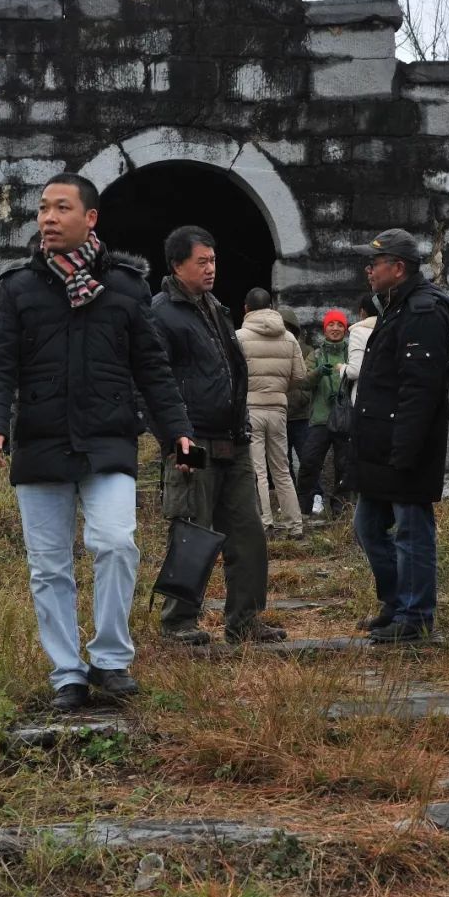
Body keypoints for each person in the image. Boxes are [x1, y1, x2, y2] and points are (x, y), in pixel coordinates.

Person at [0, 174, 194, 710]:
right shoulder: (18, 287)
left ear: (90, 218)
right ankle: (67, 672)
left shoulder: (125, 286)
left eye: (61, 208)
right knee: (48, 565)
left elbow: (152, 366)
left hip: (107, 440)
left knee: (116, 542)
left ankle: (112, 659)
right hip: (42, 443)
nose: (48, 218)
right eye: (43, 209)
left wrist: (177, 430)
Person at [148, 226, 286, 646]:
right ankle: (178, 622)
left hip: (234, 437)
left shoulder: (216, 307)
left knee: (248, 533)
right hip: (193, 440)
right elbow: (154, 384)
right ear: (177, 265)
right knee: (191, 531)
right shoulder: (161, 313)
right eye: (201, 262)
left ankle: (245, 620)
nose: (210, 269)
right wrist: (174, 439)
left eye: (213, 261)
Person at [350, 229, 449, 644]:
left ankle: (415, 616)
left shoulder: (422, 311)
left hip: (405, 446)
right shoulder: (394, 306)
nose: (369, 270)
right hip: (381, 444)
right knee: (367, 526)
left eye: (375, 263)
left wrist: (406, 449)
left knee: (412, 531)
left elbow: (420, 389)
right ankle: (395, 601)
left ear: (398, 269)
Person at [236, 288, 307, 539]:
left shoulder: (239, 337)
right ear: (272, 307)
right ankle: (294, 525)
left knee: (258, 470)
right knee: (282, 468)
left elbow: (233, 375)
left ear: (246, 309)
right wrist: (279, 388)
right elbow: (300, 375)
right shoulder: (288, 338)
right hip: (278, 410)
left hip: (251, 409)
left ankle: (264, 523)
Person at [297, 310, 351, 517]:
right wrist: (319, 372)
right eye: (331, 324)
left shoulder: (351, 353)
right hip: (320, 418)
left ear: (345, 329)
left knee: (344, 465)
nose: (335, 328)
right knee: (309, 462)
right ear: (324, 329)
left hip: (345, 418)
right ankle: (303, 507)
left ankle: (340, 509)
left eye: (339, 325)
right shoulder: (316, 354)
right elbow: (303, 382)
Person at [278, 305, 313, 484]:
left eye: (288, 327)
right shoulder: (273, 349)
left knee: (307, 459)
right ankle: (290, 499)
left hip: (300, 416)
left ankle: (314, 495)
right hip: (280, 414)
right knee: (283, 462)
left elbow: (306, 380)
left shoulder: (305, 351)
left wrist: (301, 399)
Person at [344, 292, 380, 403]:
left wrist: (342, 368)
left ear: (362, 312)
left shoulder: (358, 332)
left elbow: (355, 371)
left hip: (364, 398)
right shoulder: (391, 327)